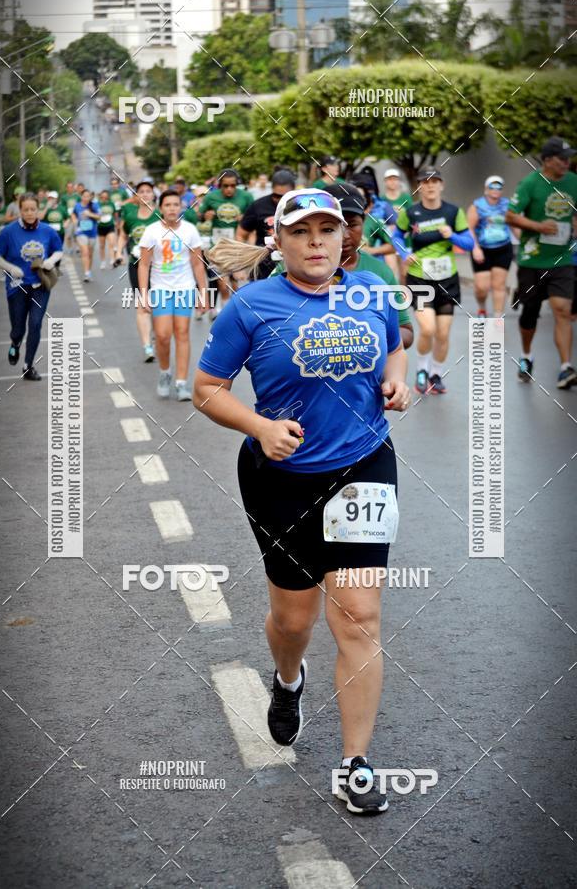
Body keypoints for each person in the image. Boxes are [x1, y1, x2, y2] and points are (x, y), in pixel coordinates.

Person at [194, 188, 410, 816]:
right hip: (279, 479)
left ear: (344, 237)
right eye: (302, 231)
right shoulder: (252, 307)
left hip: (364, 466)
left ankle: (356, 763)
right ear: (280, 242)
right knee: (294, 621)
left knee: (359, 614)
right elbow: (206, 389)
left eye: (328, 229)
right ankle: (289, 680)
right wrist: (258, 426)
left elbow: (394, 344)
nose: (316, 241)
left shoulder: (372, 291)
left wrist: (394, 377)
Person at [270, 183, 414, 349]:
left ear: (364, 224)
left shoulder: (380, 273)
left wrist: (364, 338)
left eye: (352, 225)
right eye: (330, 228)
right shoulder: (287, 271)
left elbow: (405, 331)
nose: (344, 235)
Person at [506, 136, 577, 389]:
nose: (567, 163)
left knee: (562, 309)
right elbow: (510, 216)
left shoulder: (573, 182)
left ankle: (565, 367)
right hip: (532, 260)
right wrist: (538, 226)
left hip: (562, 259)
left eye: (569, 158)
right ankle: (526, 356)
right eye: (562, 158)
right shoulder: (531, 183)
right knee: (530, 313)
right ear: (547, 160)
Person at [395, 168, 474, 394]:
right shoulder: (410, 213)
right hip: (419, 279)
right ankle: (421, 370)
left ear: (442, 185)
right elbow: (396, 236)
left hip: (446, 280)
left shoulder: (453, 212)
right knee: (427, 329)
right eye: (425, 182)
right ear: (419, 186)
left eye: (434, 181)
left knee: (443, 333)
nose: (430, 186)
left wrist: (453, 236)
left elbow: (469, 244)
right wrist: (403, 254)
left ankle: (436, 374)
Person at [138, 190, 208, 401]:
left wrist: (203, 293)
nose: (171, 208)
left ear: (181, 207)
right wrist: (144, 294)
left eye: (176, 204)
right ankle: (165, 371)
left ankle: (181, 383)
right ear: (161, 208)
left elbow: (197, 264)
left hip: (185, 288)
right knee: (162, 335)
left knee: (183, 333)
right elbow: (143, 264)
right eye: (167, 205)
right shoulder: (151, 232)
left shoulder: (190, 231)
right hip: (160, 289)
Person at [0, 192, 63, 380]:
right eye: (26, 210)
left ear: (38, 210)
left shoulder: (47, 231)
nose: (30, 213)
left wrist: (51, 261)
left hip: (40, 285)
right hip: (17, 287)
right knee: (18, 329)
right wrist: (10, 267)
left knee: (36, 324)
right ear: (20, 210)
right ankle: (15, 343)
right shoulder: (9, 231)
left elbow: (59, 250)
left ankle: (28, 366)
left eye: (33, 209)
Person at [115, 178, 160, 361]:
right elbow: (123, 235)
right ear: (136, 196)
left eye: (148, 191)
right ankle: (147, 346)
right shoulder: (131, 215)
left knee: (158, 304)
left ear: (153, 194)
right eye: (141, 192)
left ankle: (158, 333)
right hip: (136, 265)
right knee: (143, 304)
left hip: (159, 267)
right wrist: (118, 252)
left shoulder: (159, 215)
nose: (145, 195)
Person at [198, 169, 254, 307]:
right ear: (219, 185)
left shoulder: (246, 196)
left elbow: (254, 217)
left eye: (233, 186)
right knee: (222, 284)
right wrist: (206, 216)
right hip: (217, 245)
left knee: (235, 283)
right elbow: (199, 216)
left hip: (236, 244)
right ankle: (224, 309)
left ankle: (234, 311)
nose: (229, 189)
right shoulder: (211, 197)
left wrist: (245, 218)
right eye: (225, 186)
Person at [467, 176, 515, 318]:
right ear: (486, 189)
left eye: (499, 187)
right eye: (492, 187)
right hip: (482, 249)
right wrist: (475, 248)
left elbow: (515, 226)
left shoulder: (508, 205)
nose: (495, 190)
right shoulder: (476, 206)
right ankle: (482, 307)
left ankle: (497, 317)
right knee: (482, 288)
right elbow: (469, 228)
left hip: (503, 248)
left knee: (499, 285)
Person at [236, 169, 296, 279]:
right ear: (271, 189)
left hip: (295, 266)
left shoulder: (302, 206)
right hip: (263, 268)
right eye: (276, 195)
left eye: (284, 196)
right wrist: (242, 263)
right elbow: (241, 234)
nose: (279, 200)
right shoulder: (258, 206)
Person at [72, 189, 100, 282]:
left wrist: (90, 214)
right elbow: (73, 214)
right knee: (85, 252)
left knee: (90, 254)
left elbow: (99, 216)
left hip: (92, 232)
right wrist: (75, 220)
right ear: (81, 196)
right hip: (81, 232)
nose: (86, 198)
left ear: (90, 197)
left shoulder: (94, 205)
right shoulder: (77, 206)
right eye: (84, 196)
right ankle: (86, 273)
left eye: (88, 196)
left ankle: (88, 270)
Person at [96, 189, 117, 269]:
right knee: (102, 245)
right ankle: (103, 262)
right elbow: (95, 214)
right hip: (101, 226)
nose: (104, 198)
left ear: (108, 196)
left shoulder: (111, 204)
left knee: (111, 243)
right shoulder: (97, 204)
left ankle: (112, 260)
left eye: (106, 196)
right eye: (103, 196)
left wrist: (116, 221)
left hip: (110, 225)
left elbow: (115, 213)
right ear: (101, 196)